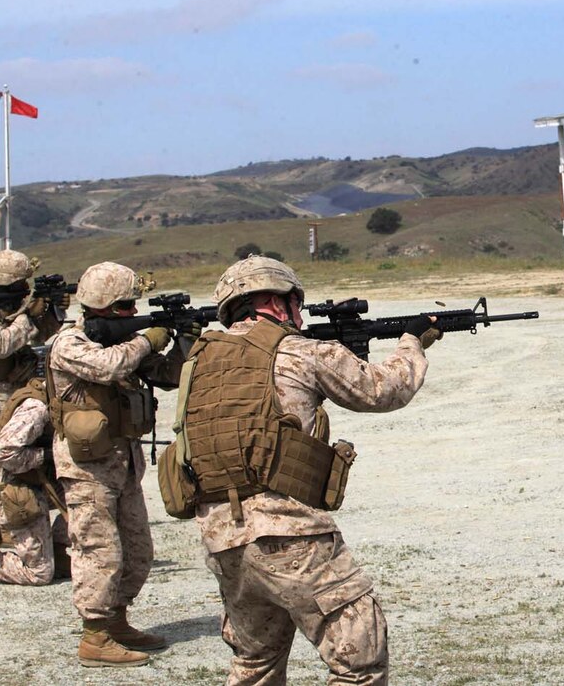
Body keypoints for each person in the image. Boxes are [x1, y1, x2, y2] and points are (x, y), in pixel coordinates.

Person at [175, 255, 438, 684]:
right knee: (359, 660)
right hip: (290, 535)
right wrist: (412, 342)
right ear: (275, 302)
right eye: (295, 303)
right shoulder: (299, 351)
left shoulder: (198, 363)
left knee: (255, 664)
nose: (299, 314)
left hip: (223, 539)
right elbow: (384, 389)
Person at [48, 261, 188, 668]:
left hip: (122, 465)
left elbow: (168, 375)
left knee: (138, 551)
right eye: (126, 307)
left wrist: (185, 341)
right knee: (99, 551)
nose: (133, 313)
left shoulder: (123, 344)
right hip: (86, 468)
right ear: (104, 307)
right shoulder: (70, 343)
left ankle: (116, 620)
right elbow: (109, 366)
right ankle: (94, 636)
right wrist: (148, 339)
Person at [0, 376, 70, 585]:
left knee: (88, 492)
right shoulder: (37, 407)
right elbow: (3, 453)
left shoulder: (65, 399)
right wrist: (49, 455)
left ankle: (57, 549)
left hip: (36, 484)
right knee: (39, 574)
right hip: (13, 493)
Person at [0, 250, 65, 448]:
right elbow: (1, 345)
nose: (26, 288)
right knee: (3, 448)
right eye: (21, 284)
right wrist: (27, 316)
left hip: (21, 383)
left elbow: (38, 337)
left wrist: (55, 311)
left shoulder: (11, 301)